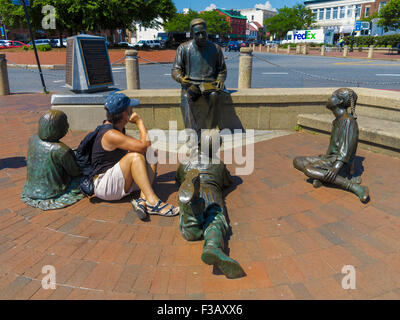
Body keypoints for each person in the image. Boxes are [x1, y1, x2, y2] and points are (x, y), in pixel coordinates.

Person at [91, 92, 179, 220]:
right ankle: (153, 201)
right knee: (135, 157)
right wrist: (139, 122)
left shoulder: (116, 128)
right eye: (130, 108)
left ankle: (144, 200)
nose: (133, 110)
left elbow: (144, 146)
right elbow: (143, 145)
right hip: (104, 185)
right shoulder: (110, 134)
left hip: (114, 180)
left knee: (151, 154)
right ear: (124, 114)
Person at [176, 129, 246, 279]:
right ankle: (212, 246)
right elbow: (227, 182)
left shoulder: (184, 164)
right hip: (212, 194)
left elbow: (178, 179)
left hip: (193, 189)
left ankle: (192, 206)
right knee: (215, 219)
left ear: (199, 144)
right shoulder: (219, 165)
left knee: (191, 231)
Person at [293, 88, 369, 203]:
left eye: (332, 96)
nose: (328, 99)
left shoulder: (348, 121)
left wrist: (335, 168)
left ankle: (353, 187)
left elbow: (347, 149)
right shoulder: (337, 120)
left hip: (339, 163)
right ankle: (325, 178)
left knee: (309, 169)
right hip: (330, 159)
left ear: (338, 102)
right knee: (297, 161)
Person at [171, 18, 227, 136]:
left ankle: (210, 131)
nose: (201, 36)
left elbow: (222, 70)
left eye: (203, 33)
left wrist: (220, 80)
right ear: (192, 34)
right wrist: (181, 79)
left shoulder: (216, 48)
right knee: (186, 98)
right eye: (197, 34)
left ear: (206, 31)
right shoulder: (183, 48)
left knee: (215, 96)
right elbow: (176, 69)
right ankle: (192, 134)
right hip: (191, 84)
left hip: (210, 85)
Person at [21, 110, 84, 210]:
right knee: (85, 176)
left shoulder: (33, 139)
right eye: (65, 123)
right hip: (52, 192)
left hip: (30, 190)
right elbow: (75, 172)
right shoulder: (61, 150)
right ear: (58, 128)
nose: (67, 126)